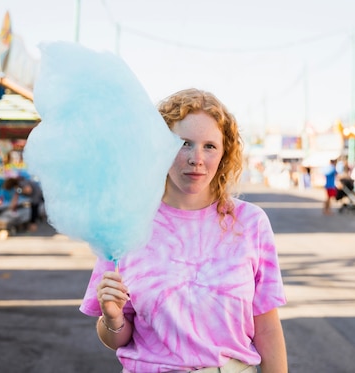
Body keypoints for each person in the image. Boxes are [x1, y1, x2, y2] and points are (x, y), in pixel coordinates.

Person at [80, 88, 288, 373]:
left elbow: (267, 328)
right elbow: (116, 339)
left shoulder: (251, 223)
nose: (196, 158)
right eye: (184, 143)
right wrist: (112, 318)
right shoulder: (126, 224)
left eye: (209, 146)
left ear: (225, 153)